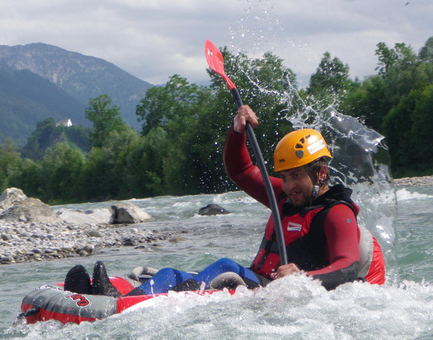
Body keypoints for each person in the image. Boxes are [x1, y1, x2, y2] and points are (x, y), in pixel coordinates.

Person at [65, 105, 385, 296]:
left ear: (321, 173)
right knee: (169, 275)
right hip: (258, 284)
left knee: (224, 268)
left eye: (297, 176)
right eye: (285, 176)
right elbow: (242, 169)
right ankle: (108, 294)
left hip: (275, 292)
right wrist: (237, 132)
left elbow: (346, 268)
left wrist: (300, 278)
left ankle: (123, 305)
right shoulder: (284, 196)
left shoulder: (336, 213)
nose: (289, 185)